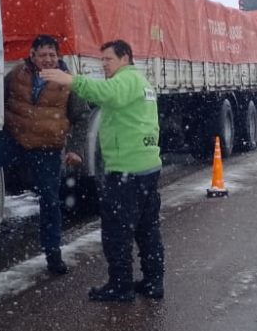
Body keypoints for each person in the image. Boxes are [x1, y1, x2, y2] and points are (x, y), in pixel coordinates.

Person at [39, 40, 164, 302]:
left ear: (125, 58)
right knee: (146, 229)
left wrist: (72, 80)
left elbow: (105, 93)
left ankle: (121, 286)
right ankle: (153, 282)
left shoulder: (127, 80)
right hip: (145, 168)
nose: (103, 65)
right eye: (102, 60)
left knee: (116, 231)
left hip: (128, 170)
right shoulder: (140, 82)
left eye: (108, 60)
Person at [0, 34, 90, 275]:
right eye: (43, 55)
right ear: (33, 55)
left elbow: (82, 117)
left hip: (47, 149)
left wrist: (76, 149)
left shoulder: (69, 82)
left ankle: (53, 255)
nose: (48, 59)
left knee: (50, 200)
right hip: (15, 142)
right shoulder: (16, 75)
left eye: (52, 55)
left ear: (58, 57)